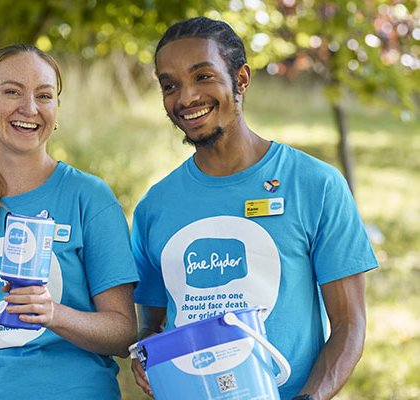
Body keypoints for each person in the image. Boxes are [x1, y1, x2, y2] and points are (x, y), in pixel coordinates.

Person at [130, 17, 378, 400]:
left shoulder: (315, 185)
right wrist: (146, 356)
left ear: (241, 79)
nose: (186, 98)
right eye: (170, 85)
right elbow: (151, 326)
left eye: (203, 76)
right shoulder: (154, 207)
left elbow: (349, 325)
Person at [0, 44, 139, 400]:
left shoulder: (89, 197)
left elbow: (124, 332)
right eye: (12, 92)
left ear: (56, 109)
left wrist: (54, 314)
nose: (30, 108)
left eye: (44, 95)